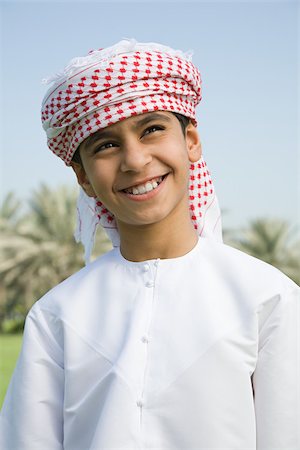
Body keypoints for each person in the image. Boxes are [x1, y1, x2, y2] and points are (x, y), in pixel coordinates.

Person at [0, 38, 299, 450]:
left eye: (152, 129)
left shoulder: (268, 298)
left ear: (191, 140)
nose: (135, 161)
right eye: (105, 145)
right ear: (83, 177)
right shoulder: (56, 316)